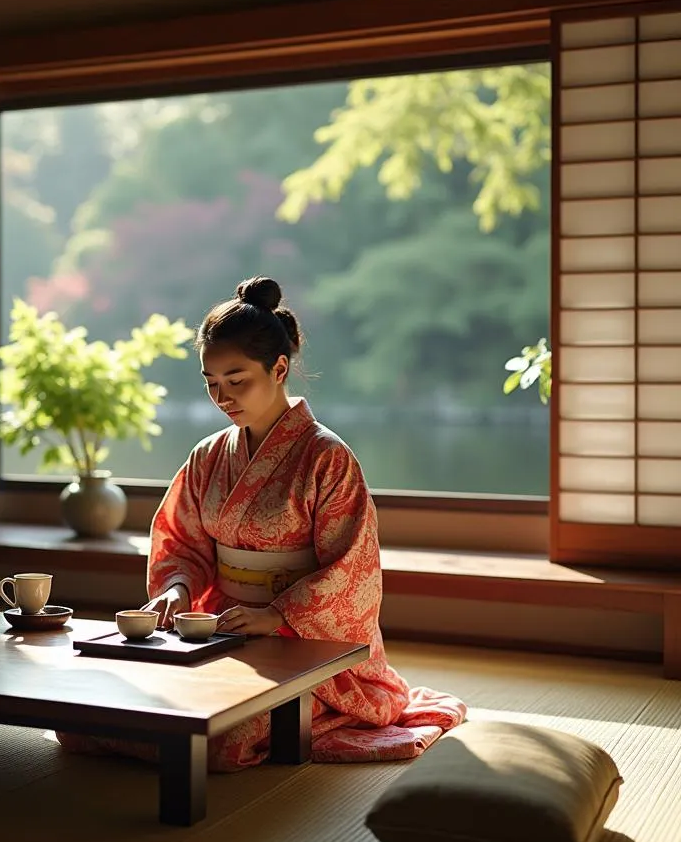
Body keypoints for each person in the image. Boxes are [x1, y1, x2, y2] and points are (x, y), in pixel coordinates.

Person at [59, 276, 465, 770]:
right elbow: (182, 541)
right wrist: (178, 589)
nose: (222, 396)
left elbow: (351, 569)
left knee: (223, 737)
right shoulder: (207, 456)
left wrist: (277, 615)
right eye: (211, 383)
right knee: (83, 718)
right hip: (219, 631)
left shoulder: (327, 458)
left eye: (237, 380)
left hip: (302, 644)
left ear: (278, 368)